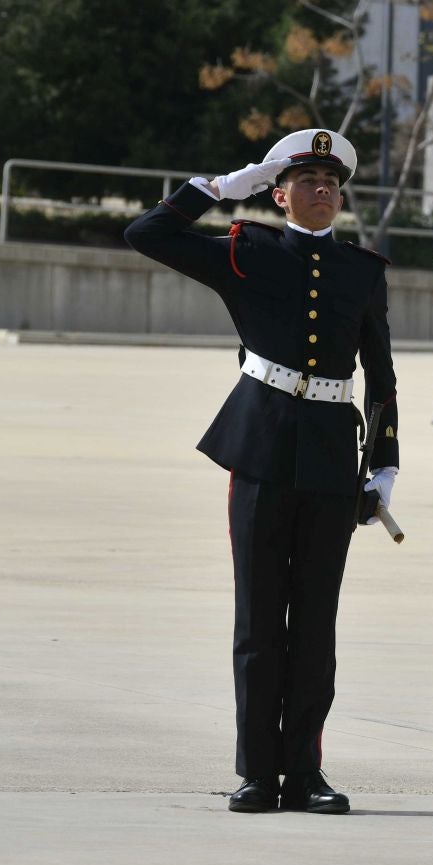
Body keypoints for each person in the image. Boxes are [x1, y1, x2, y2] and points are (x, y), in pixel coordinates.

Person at [123, 128, 399, 815]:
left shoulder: (363, 270)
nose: (323, 193)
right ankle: (257, 771)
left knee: (314, 620)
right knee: (257, 618)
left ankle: (304, 772)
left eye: (332, 184)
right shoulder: (247, 251)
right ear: (278, 194)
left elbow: (382, 374)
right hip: (261, 447)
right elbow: (146, 233)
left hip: (334, 455)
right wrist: (220, 187)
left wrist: (384, 465)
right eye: (307, 182)